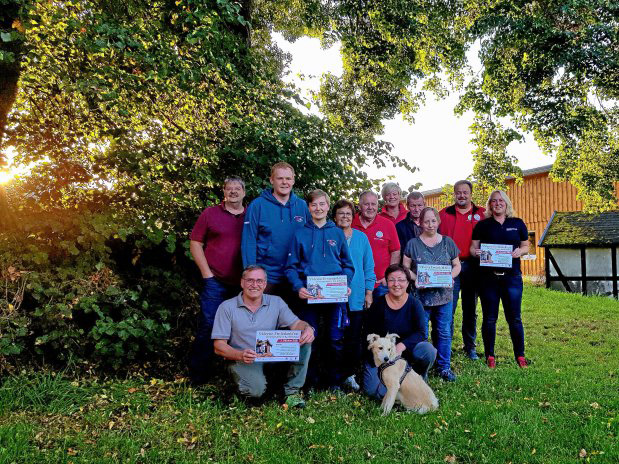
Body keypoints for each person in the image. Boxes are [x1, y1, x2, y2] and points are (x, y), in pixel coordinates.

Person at [212, 265, 315, 407]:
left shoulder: (276, 302)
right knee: (255, 392)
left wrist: (307, 328)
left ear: (265, 284)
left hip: (270, 355)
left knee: (304, 339)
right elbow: (218, 346)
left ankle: (291, 393)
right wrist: (239, 354)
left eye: (259, 281)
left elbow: (296, 324)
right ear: (242, 283)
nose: (254, 285)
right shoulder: (227, 307)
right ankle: (236, 385)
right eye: (250, 280)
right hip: (243, 358)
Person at [285, 190, 355, 391]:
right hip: (309, 296)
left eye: (322, 204)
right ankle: (310, 382)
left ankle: (334, 382)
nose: (318, 208)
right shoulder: (300, 233)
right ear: (308, 208)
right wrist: (298, 287)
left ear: (327, 206)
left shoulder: (337, 233)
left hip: (334, 295)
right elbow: (290, 267)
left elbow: (348, 266)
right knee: (309, 338)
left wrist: (345, 284)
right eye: (314, 205)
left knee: (335, 339)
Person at [188, 176, 246, 385]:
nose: (233, 192)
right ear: (223, 192)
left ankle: (233, 376)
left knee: (240, 330)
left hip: (244, 286)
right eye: (229, 188)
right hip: (216, 282)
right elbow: (195, 243)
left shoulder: (251, 215)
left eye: (237, 189)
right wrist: (207, 274)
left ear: (244, 192)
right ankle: (199, 378)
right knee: (209, 325)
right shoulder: (210, 213)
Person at [470, 190, 529, 368]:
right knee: (489, 318)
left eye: (500, 200)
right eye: (493, 201)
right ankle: (490, 356)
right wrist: (477, 253)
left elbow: (526, 245)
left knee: (515, 318)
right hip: (488, 279)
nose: (497, 203)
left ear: (506, 203)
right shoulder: (482, 225)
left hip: (512, 278)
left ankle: (520, 356)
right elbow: (473, 249)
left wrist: (520, 251)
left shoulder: (517, 223)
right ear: (489, 205)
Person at [403, 207, 461, 382]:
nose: (430, 224)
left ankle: (444, 367)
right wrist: (414, 278)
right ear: (420, 223)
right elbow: (405, 267)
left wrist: (450, 277)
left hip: (443, 296)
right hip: (420, 297)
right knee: (422, 333)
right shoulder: (413, 244)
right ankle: (422, 368)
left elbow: (457, 265)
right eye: (426, 221)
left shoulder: (448, 242)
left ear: (438, 222)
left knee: (443, 331)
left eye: (433, 220)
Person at [362, 264, 437, 399]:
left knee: (428, 350)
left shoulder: (415, 304)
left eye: (401, 280)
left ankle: (418, 376)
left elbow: (421, 332)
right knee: (374, 392)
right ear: (386, 282)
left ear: (408, 283)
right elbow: (368, 332)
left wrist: (401, 346)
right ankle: (397, 385)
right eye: (391, 280)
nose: (396, 284)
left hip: (406, 352)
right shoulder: (378, 304)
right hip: (382, 355)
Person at [241, 162, 311, 304]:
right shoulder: (258, 205)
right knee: (264, 321)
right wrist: (251, 275)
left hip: (295, 276)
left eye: (288, 178)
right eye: (280, 178)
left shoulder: (302, 206)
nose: (284, 182)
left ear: (293, 180)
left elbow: (311, 239)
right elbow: (248, 241)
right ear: (272, 180)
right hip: (267, 276)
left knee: (294, 322)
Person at [438, 180, 486, 360]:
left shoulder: (482, 213)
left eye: (465, 192)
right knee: (448, 308)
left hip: (474, 266)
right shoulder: (444, 214)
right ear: (454, 194)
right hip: (450, 267)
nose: (462, 195)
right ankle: (446, 346)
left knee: (470, 309)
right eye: (458, 192)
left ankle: (470, 347)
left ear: (471, 194)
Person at [333, 199, 376, 391]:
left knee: (353, 339)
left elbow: (368, 267)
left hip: (356, 296)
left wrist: (369, 292)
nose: (344, 217)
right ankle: (333, 376)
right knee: (334, 339)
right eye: (341, 213)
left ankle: (349, 375)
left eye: (348, 214)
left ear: (353, 217)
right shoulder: (328, 236)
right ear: (334, 217)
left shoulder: (361, 238)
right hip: (331, 295)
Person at [352, 190, 400, 299]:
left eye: (373, 204)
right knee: (356, 315)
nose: (370, 207)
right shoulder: (350, 222)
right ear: (359, 206)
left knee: (381, 315)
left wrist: (389, 276)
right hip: (354, 283)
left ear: (378, 206)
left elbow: (396, 252)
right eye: (366, 204)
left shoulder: (388, 224)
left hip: (381, 284)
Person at [396, 192, 425, 261]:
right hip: (408, 266)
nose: (416, 209)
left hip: (429, 266)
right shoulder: (399, 227)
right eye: (413, 206)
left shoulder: (433, 224)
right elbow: (399, 252)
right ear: (407, 206)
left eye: (419, 205)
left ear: (424, 205)